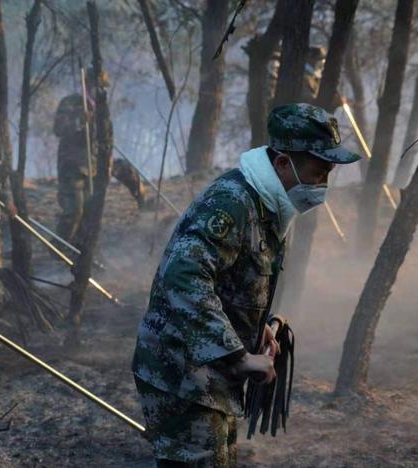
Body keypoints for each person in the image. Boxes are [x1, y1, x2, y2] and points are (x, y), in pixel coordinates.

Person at [132, 103, 361, 467]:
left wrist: (256, 331)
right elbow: (184, 277)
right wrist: (236, 356)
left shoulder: (268, 204)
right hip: (180, 372)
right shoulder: (232, 203)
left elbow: (231, 282)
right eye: (319, 173)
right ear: (284, 163)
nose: (323, 185)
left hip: (209, 377)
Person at [53, 77, 146, 242]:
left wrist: (108, 161)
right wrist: (79, 121)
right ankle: (59, 245)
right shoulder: (71, 103)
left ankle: (85, 249)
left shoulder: (102, 111)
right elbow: (58, 129)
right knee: (75, 211)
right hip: (73, 167)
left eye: (103, 88)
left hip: (96, 166)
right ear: (88, 86)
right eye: (98, 87)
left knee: (92, 213)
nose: (101, 91)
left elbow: (108, 139)